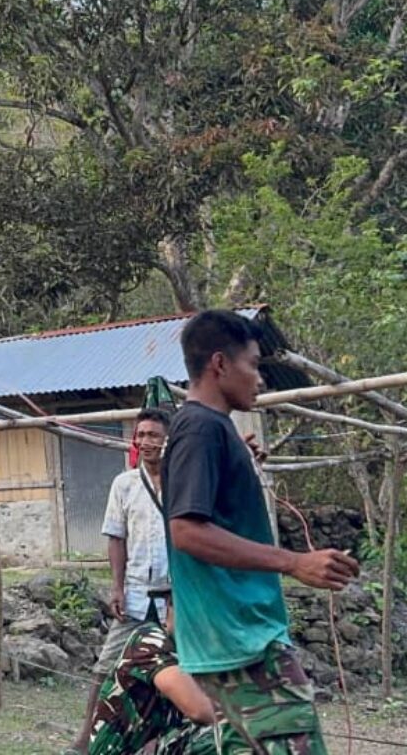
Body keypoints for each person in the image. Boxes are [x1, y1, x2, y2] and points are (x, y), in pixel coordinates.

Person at [163, 309, 360, 753]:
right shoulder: (199, 428)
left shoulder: (213, 429)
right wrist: (294, 561)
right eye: (253, 365)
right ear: (219, 364)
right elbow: (187, 532)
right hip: (243, 641)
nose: (261, 379)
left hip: (234, 637)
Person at [69, 407, 172, 754]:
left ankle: (162, 741)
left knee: (179, 667)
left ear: (168, 439)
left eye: (153, 435)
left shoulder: (185, 481)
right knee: (108, 666)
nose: (145, 442)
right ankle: (85, 739)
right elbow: (116, 537)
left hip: (178, 598)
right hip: (136, 594)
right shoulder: (124, 484)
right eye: (140, 435)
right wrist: (116, 587)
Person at [87, 583, 217, 755]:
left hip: (156, 746)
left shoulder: (197, 655)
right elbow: (199, 711)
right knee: (226, 733)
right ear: (170, 606)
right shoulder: (149, 639)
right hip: (121, 751)